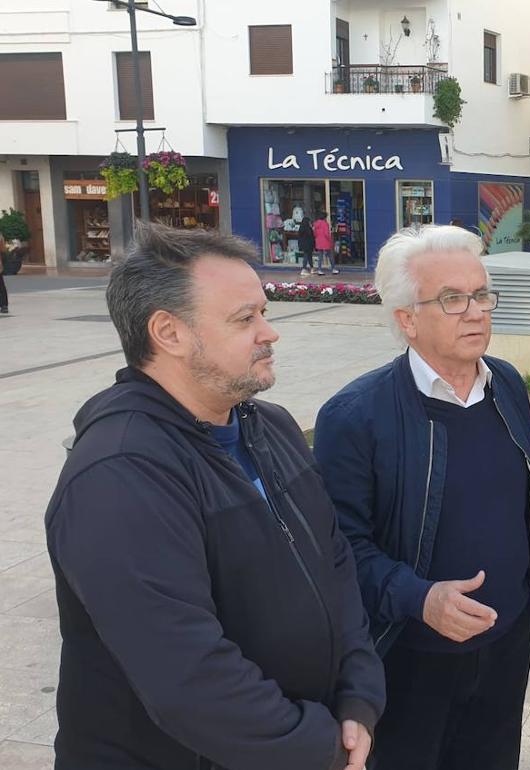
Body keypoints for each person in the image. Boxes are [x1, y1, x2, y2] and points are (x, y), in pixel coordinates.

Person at [45, 222, 385, 770]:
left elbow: (335, 564)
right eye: (244, 318)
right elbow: (186, 674)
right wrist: (316, 745)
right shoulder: (121, 472)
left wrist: (359, 697)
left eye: (265, 313)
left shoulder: (268, 427)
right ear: (169, 333)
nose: (269, 333)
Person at [314, 225, 530, 770]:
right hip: (410, 657)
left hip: (506, 644)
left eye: (481, 295)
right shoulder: (355, 416)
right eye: (452, 299)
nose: (476, 312)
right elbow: (338, 551)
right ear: (406, 319)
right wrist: (419, 598)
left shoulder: (507, 385)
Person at [314, 210, 339, 275]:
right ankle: (333, 269)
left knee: (320, 256)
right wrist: (330, 240)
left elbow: (315, 233)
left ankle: (319, 269)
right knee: (330, 255)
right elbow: (326, 234)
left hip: (319, 241)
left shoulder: (316, 224)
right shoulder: (325, 224)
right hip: (325, 241)